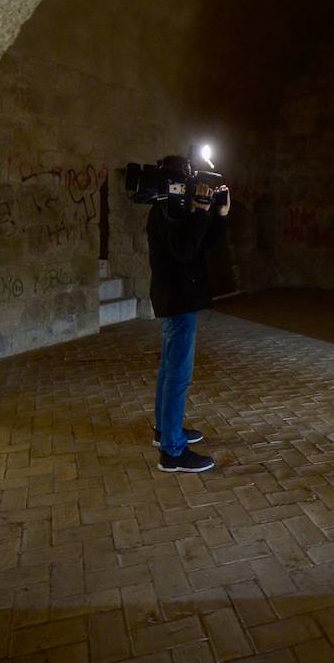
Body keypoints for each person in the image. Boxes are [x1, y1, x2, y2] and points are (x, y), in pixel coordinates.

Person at [146, 154, 230, 473]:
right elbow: (183, 249)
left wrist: (219, 213)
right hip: (176, 300)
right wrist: (200, 211)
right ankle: (172, 452)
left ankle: (166, 431)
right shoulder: (166, 209)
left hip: (179, 299)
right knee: (177, 373)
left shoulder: (178, 208)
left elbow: (203, 243)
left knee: (170, 370)